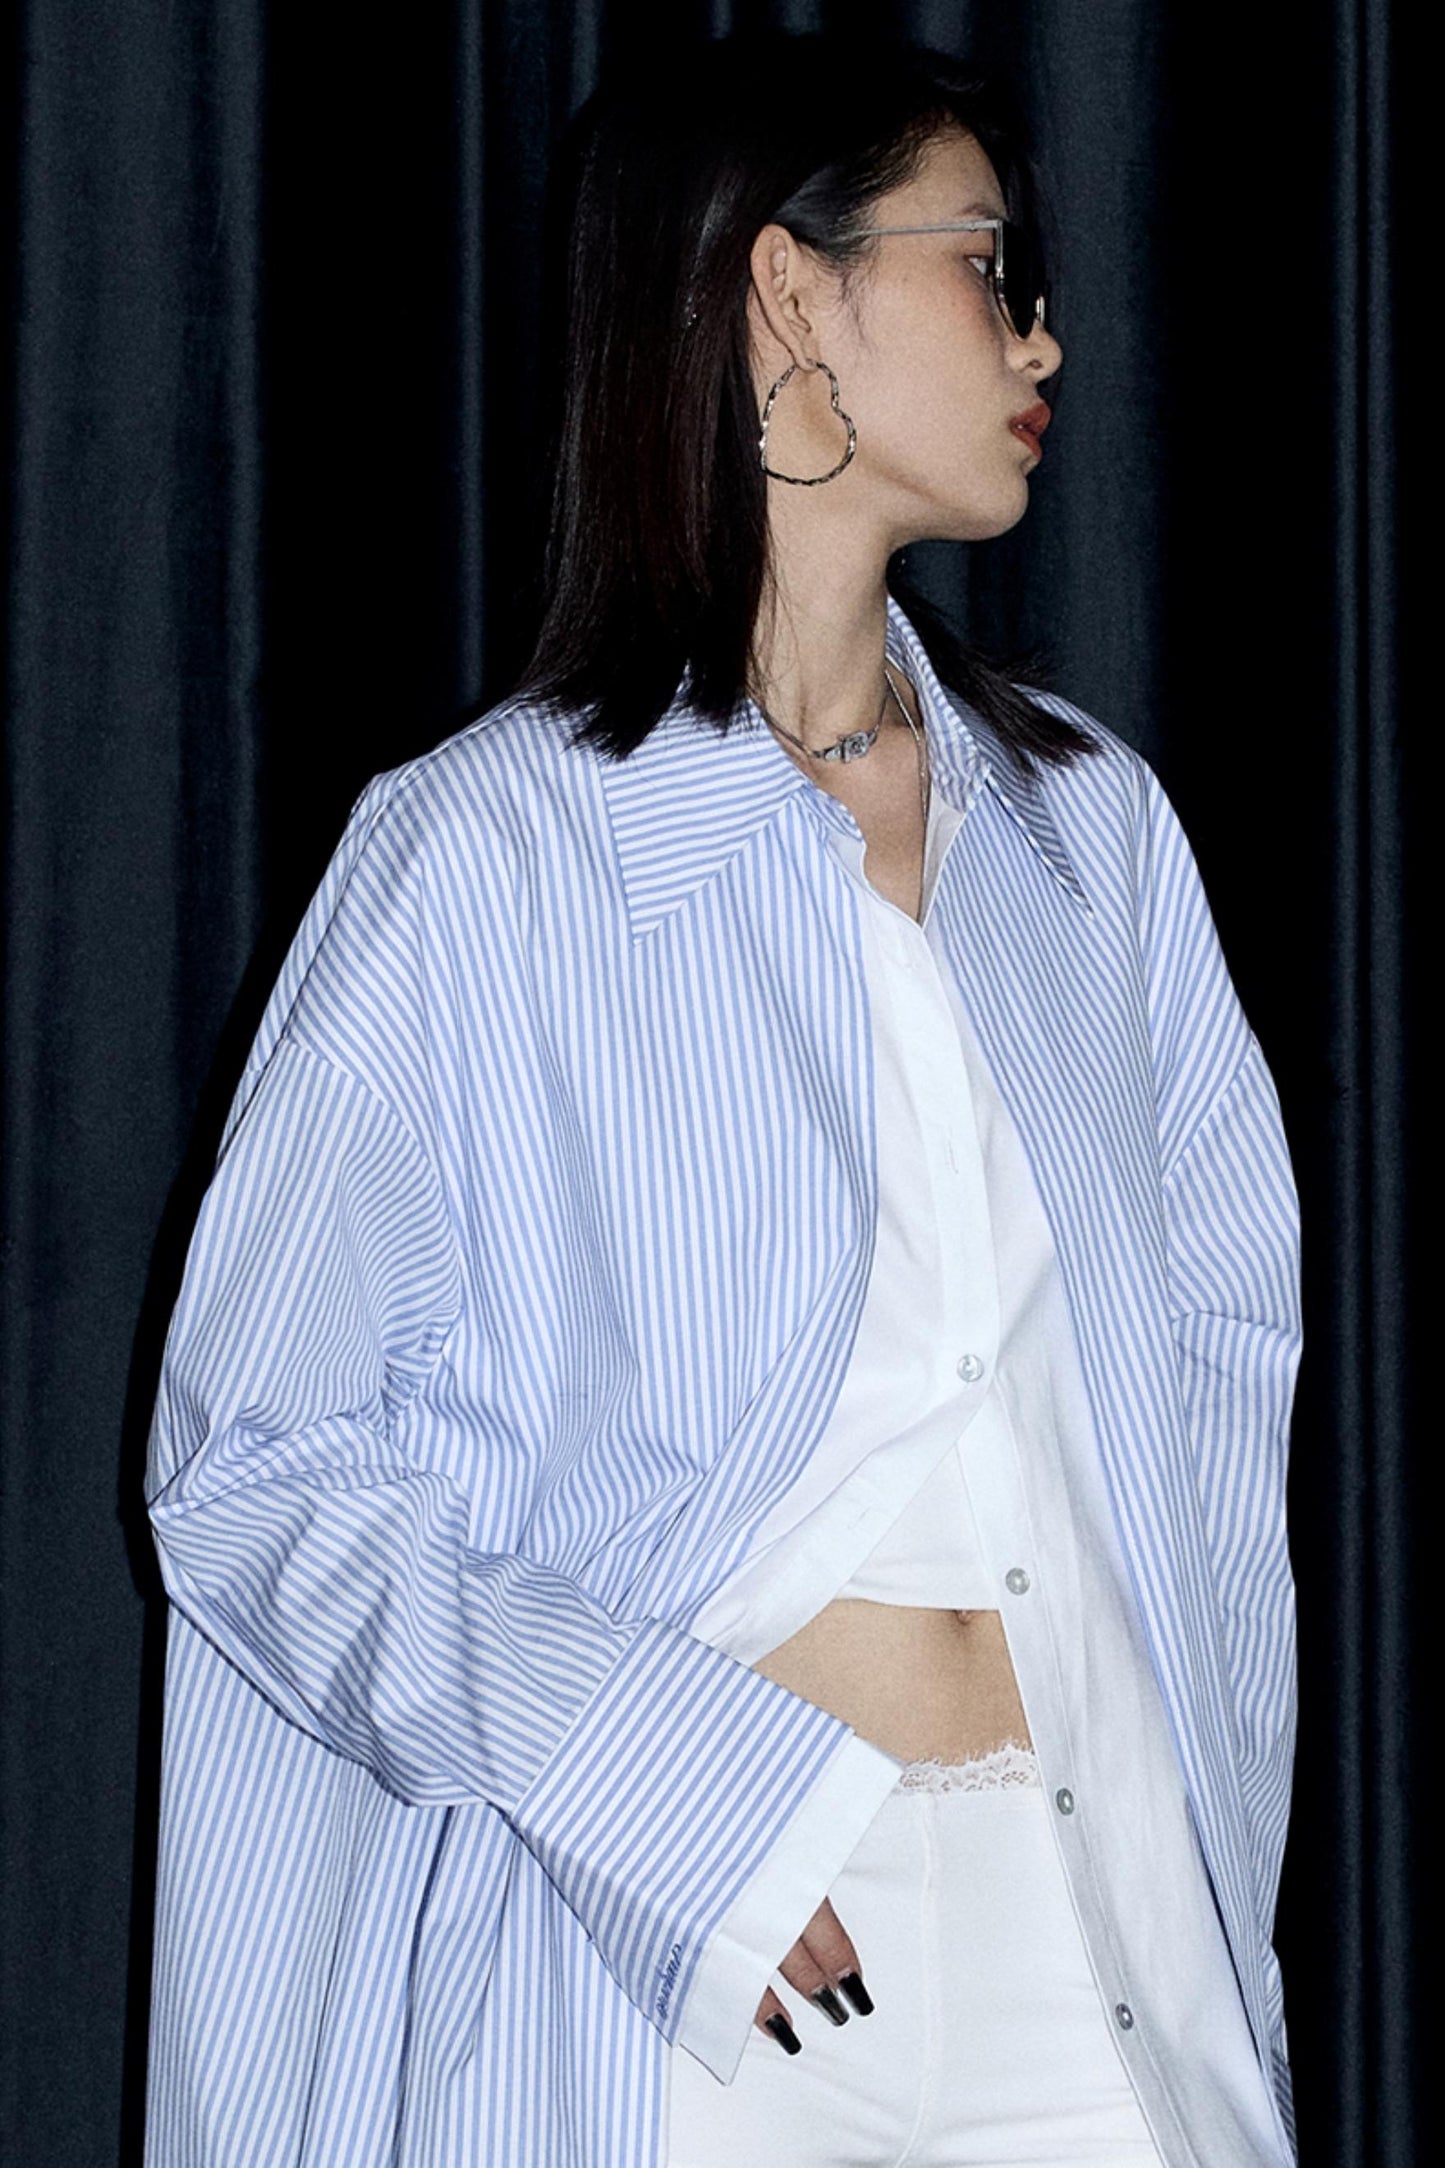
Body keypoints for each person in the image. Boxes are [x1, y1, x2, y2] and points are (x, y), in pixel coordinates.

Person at [141, 30, 1302, 2168]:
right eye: (984, 262)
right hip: (683, 1978)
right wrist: (666, 1794)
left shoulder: (1094, 843)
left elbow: (1220, 1407)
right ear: (786, 291)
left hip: (1091, 1960)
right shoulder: (484, 862)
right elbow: (258, 1474)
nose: (1042, 335)